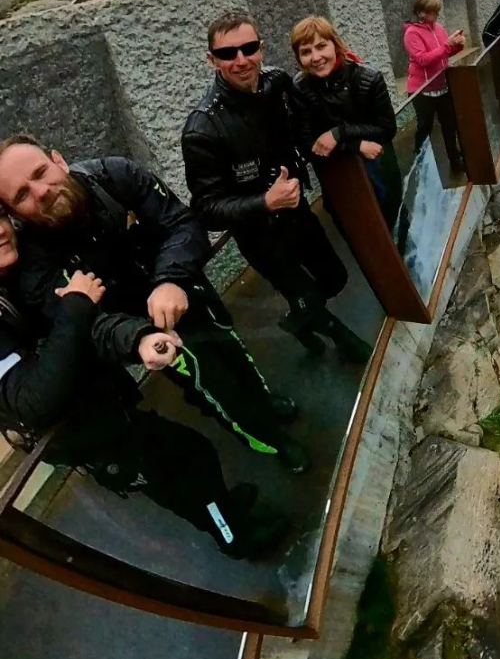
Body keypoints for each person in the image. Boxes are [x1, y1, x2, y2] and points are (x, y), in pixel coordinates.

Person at [0, 136, 309, 473]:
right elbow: (85, 325)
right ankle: (271, 441)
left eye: (40, 172)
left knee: (233, 348)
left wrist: (170, 279)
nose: (40, 191)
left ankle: (264, 399)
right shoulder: (35, 267)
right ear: (16, 215)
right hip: (141, 330)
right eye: (21, 195)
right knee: (212, 387)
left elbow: (181, 222)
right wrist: (139, 337)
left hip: (183, 291)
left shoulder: (114, 176)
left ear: (58, 160)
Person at [0, 217, 287, 559]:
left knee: (191, 458)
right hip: (82, 435)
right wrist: (76, 306)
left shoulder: (18, 274)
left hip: (100, 412)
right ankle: (233, 537)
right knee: (184, 474)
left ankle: (222, 508)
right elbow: (34, 401)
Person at [182, 12, 369, 364]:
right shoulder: (203, 128)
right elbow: (206, 208)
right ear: (212, 60)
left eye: (249, 48)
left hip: (296, 212)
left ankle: (297, 321)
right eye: (227, 54)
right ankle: (339, 338)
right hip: (259, 233)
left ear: (261, 49)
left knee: (335, 277)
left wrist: (348, 134)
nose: (241, 60)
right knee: (305, 294)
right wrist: (264, 202)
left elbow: (307, 121)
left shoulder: (278, 83)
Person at [289, 16, 405, 235]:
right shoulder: (300, 88)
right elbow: (307, 143)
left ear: (335, 44)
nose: (316, 57)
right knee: (358, 235)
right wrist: (356, 145)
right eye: (306, 52)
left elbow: (387, 129)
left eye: (321, 46)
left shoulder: (369, 78)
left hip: (378, 169)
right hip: (338, 177)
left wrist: (340, 133)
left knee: (394, 223)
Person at [403, 0, 466, 173]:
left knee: (449, 124)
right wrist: (448, 45)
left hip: (442, 85)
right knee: (425, 127)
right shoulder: (411, 33)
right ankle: (420, 162)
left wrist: (457, 47)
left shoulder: (438, 28)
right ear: (422, 12)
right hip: (422, 90)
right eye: (433, 12)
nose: (437, 16)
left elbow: (443, 54)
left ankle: (455, 159)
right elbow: (423, 60)